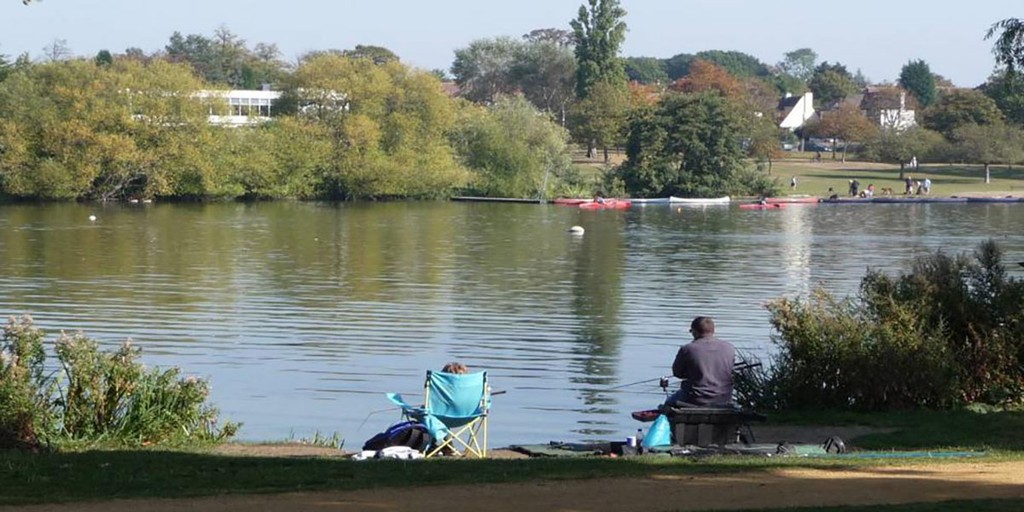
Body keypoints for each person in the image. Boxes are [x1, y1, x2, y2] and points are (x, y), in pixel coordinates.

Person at [665, 316, 736, 407]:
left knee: (668, 403)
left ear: (694, 331)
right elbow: (730, 370)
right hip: (724, 398)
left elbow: (677, 373)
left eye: (691, 331)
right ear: (713, 331)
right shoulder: (729, 347)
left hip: (694, 399)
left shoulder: (688, 349)